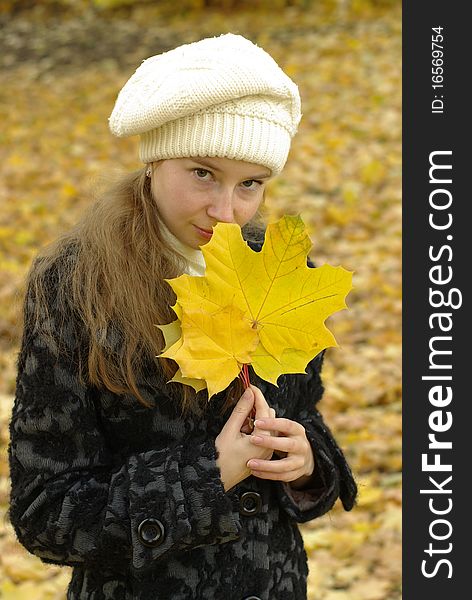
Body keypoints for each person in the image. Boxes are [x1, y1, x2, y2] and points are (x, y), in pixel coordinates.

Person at [7, 33, 357, 600]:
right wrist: (206, 475)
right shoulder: (76, 285)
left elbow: (306, 417)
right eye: (202, 173)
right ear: (155, 160)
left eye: (250, 184)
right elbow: (45, 511)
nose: (226, 211)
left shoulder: (277, 270)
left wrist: (308, 461)